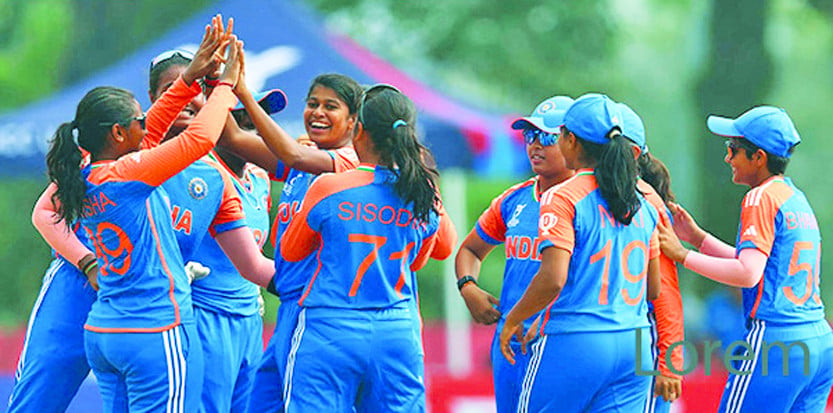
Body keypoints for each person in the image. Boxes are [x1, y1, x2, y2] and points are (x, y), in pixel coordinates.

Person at [9, 17, 235, 412]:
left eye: (198, 92)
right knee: (40, 393)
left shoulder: (119, 159)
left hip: (116, 315)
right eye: (168, 94)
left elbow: (150, 134)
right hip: (104, 297)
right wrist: (226, 86)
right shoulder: (127, 167)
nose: (153, 119)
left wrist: (189, 82)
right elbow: (45, 211)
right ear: (123, 124)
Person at [278, 84, 457, 412]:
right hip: (397, 330)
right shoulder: (423, 192)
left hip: (330, 327)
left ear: (357, 129)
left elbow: (290, 252)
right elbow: (423, 259)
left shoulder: (328, 186)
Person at [657, 105, 833, 413]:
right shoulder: (795, 199)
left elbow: (747, 273)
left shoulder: (759, 196)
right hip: (818, 341)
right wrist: (698, 239)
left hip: (778, 340)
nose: (727, 158)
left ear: (759, 157)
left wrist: (682, 255)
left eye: (734, 149)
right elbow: (760, 266)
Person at [499, 93, 661, 413]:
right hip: (636, 344)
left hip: (575, 342)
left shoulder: (563, 197)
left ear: (571, 140)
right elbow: (652, 288)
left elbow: (553, 279)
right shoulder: (642, 201)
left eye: (558, 135)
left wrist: (513, 319)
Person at [220, 73, 364, 413]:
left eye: (331, 107)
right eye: (312, 104)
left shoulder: (348, 161)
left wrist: (243, 92)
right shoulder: (300, 162)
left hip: (320, 313)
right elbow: (233, 138)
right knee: (262, 403)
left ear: (354, 121)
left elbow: (294, 155)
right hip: (291, 308)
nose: (317, 113)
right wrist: (215, 83)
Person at [146, 50, 281, 413]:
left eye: (262, 118)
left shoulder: (259, 176)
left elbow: (254, 258)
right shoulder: (192, 169)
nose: (258, 129)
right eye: (243, 120)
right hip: (205, 317)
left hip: (251, 319)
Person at [454, 95, 574, 413]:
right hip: (510, 341)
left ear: (574, 141)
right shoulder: (513, 200)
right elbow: (469, 250)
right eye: (529, 135)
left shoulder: (591, 202)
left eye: (547, 137)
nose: (535, 145)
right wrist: (468, 287)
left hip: (564, 340)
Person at [618, 102, 685, 411]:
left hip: (642, 342)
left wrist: (670, 363)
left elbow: (666, 290)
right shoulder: (583, 195)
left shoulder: (645, 201)